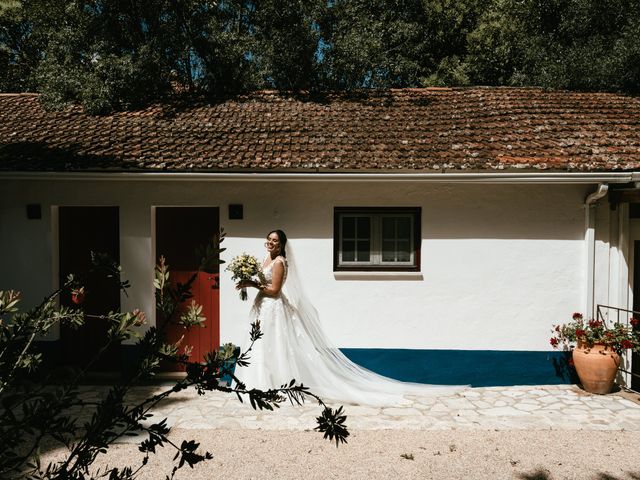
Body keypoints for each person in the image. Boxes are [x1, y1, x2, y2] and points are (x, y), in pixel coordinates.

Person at [234, 229, 463, 406]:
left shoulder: (280, 262)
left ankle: (277, 387)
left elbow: (274, 290)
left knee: (274, 345)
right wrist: (248, 281)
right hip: (261, 308)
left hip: (273, 307)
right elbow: (264, 284)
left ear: (282, 244)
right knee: (261, 346)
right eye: (269, 239)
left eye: (275, 240)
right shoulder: (265, 259)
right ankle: (259, 386)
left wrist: (252, 284)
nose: (271, 243)